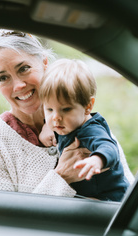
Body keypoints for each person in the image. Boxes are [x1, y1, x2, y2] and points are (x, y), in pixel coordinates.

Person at [0, 29, 134, 199]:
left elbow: (126, 192)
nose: (18, 85)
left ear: (44, 63)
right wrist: (61, 176)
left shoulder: (83, 121)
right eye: (3, 78)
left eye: (24, 68)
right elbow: (1, 219)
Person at [39, 58, 130, 201]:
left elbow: (109, 147)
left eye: (66, 109)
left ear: (88, 106)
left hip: (109, 199)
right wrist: (46, 127)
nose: (55, 118)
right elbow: (51, 119)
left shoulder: (91, 130)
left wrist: (97, 160)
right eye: (49, 109)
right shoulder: (64, 123)